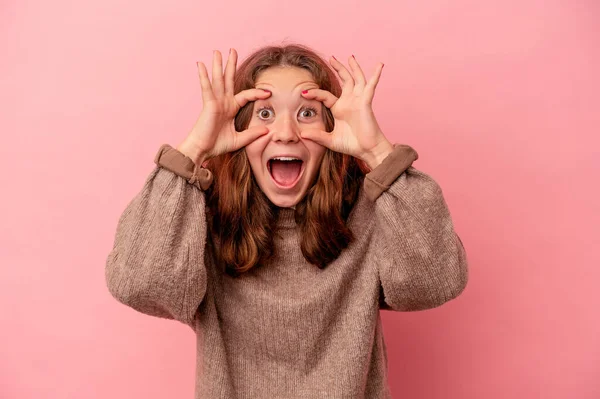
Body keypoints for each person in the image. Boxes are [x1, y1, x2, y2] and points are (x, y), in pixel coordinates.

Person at [105, 43, 469, 399]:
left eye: (306, 113)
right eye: (264, 114)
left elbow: (435, 284)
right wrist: (193, 149)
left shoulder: (372, 213)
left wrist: (378, 152)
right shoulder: (200, 222)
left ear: (332, 128)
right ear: (237, 128)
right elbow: (139, 284)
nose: (285, 133)